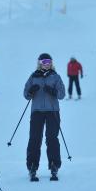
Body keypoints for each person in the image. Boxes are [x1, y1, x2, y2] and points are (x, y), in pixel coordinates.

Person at [24, 53, 65, 181]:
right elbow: (26, 94)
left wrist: (53, 91)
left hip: (52, 111)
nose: (47, 64)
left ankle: (54, 164)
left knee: (52, 138)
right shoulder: (33, 76)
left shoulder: (55, 77)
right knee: (35, 138)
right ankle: (32, 165)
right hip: (37, 111)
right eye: (44, 62)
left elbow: (62, 94)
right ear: (40, 63)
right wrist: (31, 91)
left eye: (49, 61)